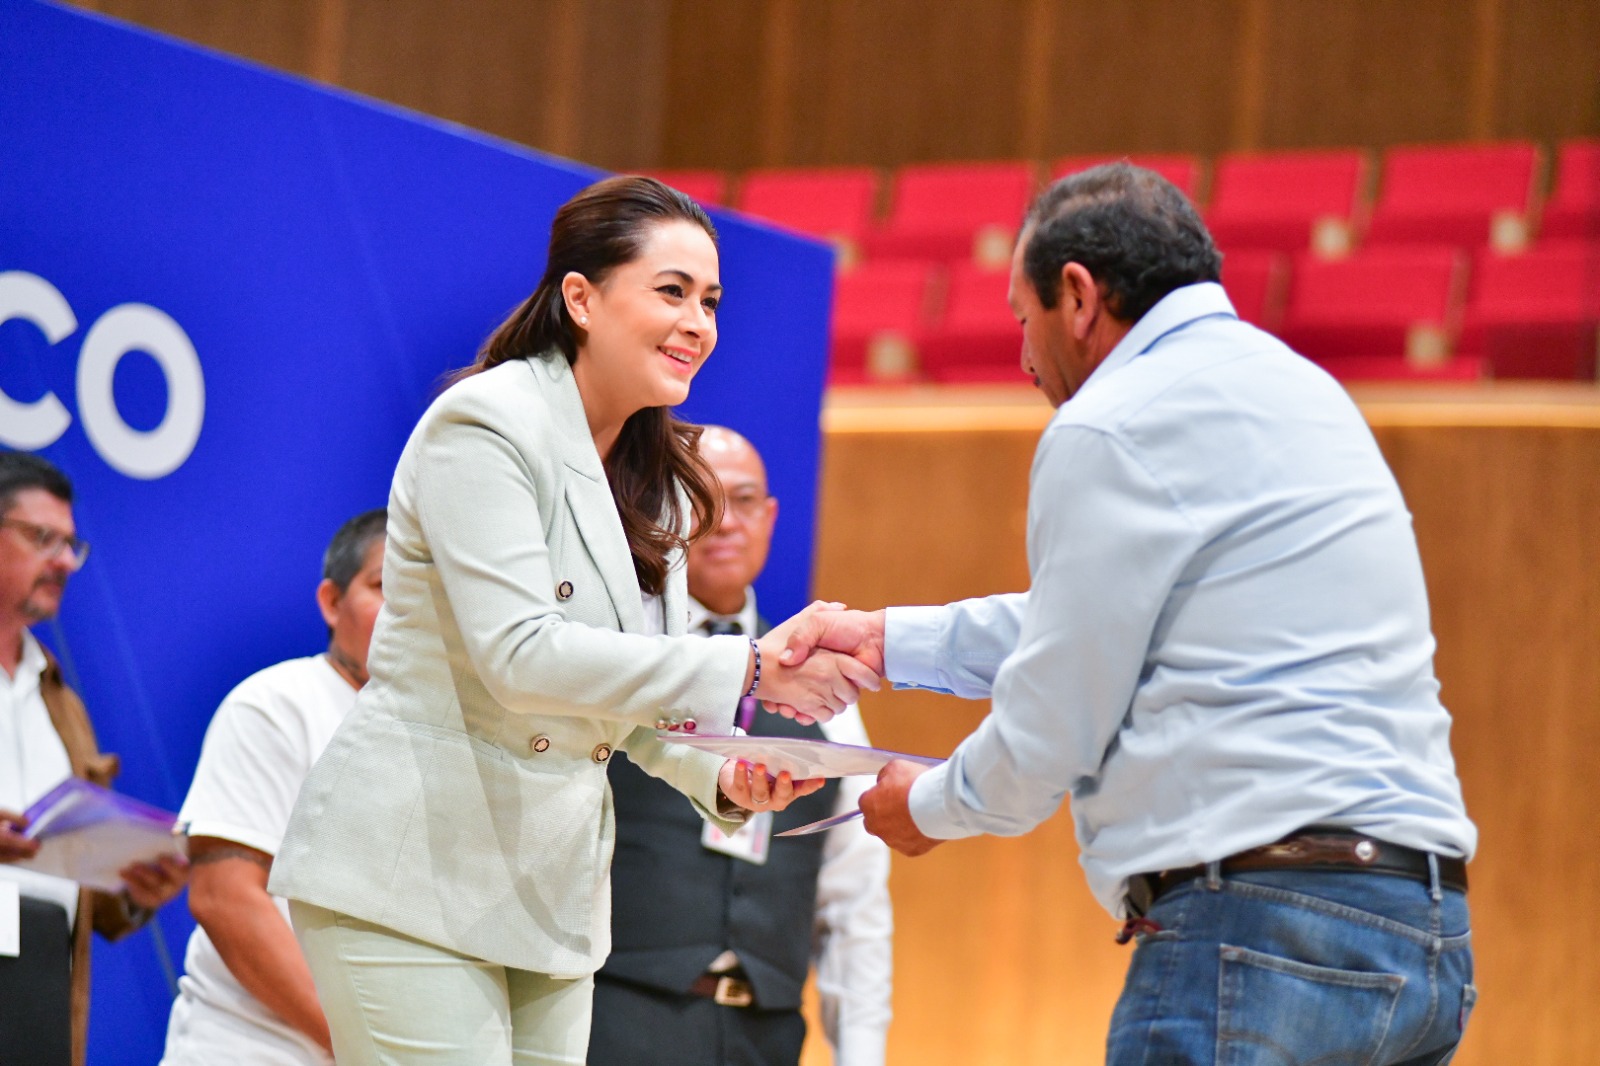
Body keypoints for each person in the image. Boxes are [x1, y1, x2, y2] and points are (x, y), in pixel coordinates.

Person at [780, 164, 1478, 1064]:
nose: (1025, 360)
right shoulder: (1304, 391)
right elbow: (1109, 620)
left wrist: (931, 805)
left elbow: (1052, 729)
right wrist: (887, 642)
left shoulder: (1110, 421)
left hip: (1260, 933)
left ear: (1077, 296)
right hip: (1424, 935)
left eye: (1021, 320)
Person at [267, 175, 877, 1065]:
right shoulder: (484, 421)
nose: (699, 323)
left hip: (551, 899)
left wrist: (725, 775)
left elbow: (628, 705)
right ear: (581, 298)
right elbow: (522, 657)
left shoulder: (662, 477)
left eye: (710, 301)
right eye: (671, 292)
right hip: (410, 877)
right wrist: (747, 668)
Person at [591, 426, 892, 1066]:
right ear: (658, 515)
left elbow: (854, 898)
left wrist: (861, 1053)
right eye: (702, 499)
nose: (725, 522)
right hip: (615, 1018)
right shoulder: (616, 657)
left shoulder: (821, 686)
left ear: (771, 516)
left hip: (767, 1035)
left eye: (746, 499)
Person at [160, 508, 387, 1065]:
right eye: (384, 587)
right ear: (332, 603)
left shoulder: (448, 735)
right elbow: (225, 897)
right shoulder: (277, 704)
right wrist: (369, 1051)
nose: (408, 610)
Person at [0, 452, 190, 1066]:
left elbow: (85, 890)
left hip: (40, 982)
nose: (63, 561)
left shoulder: (61, 700)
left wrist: (134, 885)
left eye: (71, 545)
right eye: (42, 538)